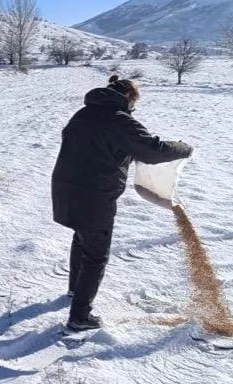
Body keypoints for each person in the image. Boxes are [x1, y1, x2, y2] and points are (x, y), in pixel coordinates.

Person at [51, 75, 192, 331]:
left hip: (66, 191)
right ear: (129, 98)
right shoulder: (118, 119)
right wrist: (183, 148)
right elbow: (152, 150)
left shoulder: (83, 114)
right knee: (96, 255)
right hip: (93, 195)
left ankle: (75, 290)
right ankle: (79, 317)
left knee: (82, 238)